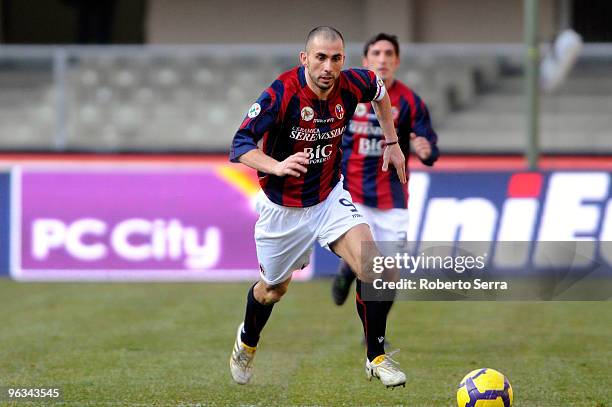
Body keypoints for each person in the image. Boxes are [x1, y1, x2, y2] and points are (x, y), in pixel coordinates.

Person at [229, 26, 407, 388]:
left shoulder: (351, 84)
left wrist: (392, 141)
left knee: (379, 268)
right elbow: (240, 143)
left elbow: (379, 90)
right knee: (273, 290)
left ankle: (376, 357)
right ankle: (247, 341)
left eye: (336, 58)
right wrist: (275, 165)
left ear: (344, 59)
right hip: (283, 210)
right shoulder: (281, 94)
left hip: (328, 197)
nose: (328, 66)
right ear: (304, 58)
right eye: (321, 57)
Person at [331, 33, 439, 323]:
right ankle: (349, 270)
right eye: (376, 54)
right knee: (368, 260)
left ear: (397, 61)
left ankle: (378, 330)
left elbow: (429, 145)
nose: (383, 59)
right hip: (351, 193)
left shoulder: (410, 101)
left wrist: (424, 149)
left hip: (393, 197)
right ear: (365, 61)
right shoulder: (347, 95)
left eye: (389, 54)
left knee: (390, 272)